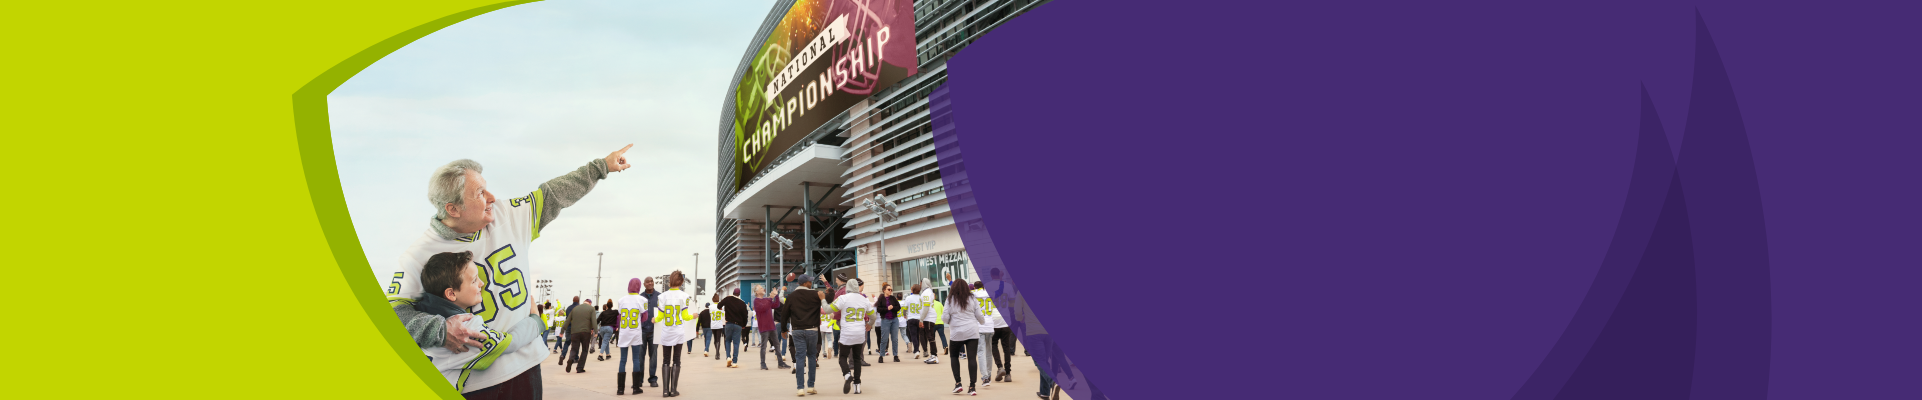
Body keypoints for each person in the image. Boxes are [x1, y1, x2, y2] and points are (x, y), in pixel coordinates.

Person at [388, 146, 633, 399]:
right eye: (480, 193)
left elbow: (553, 194)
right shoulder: (417, 255)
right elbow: (392, 315)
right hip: (472, 381)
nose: (492, 197)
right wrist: (439, 329)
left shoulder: (508, 215)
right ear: (453, 209)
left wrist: (601, 166)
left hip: (526, 368)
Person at [413, 251, 529, 393]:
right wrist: (537, 319)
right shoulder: (465, 328)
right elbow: (512, 342)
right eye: (474, 280)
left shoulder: (417, 314)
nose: (482, 283)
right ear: (451, 294)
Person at [776, 273, 824, 396]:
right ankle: (811, 386)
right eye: (809, 281)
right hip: (812, 330)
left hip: (797, 330)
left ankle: (800, 388)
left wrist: (783, 330)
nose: (811, 283)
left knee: (800, 357)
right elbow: (828, 298)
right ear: (804, 283)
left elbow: (785, 313)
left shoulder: (791, 296)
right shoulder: (816, 294)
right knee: (812, 356)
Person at [653, 270, 697, 398]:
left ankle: (665, 391)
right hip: (678, 331)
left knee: (666, 359)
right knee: (676, 359)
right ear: (681, 282)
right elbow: (685, 316)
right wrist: (693, 316)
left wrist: (655, 319)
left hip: (666, 332)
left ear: (670, 281)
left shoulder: (662, 296)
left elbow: (660, 316)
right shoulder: (684, 296)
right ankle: (673, 390)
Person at [831, 278, 875, 394]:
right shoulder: (864, 299)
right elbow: (873, 316)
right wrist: (869, 324)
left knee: (842, 357)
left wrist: (822, 301)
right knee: (857, 359)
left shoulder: (843, 298)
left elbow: (827, 309)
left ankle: (847, 375)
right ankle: (857, 385)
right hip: (860, 333)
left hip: (847, 333)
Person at [943, 280, 986, 396]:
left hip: (956, 332)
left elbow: (945, 316)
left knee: (953, 356)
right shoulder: (972, 298)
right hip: (972, 332)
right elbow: (979, 316)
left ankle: (958, 383)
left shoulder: (950, 299)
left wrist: (948, 321)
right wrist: (982, 322)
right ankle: (972, 387)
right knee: (972, 358)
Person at [614, 278, 655, 395]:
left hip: (624, 332)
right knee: (636, 358)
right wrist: (638, 321)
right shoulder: (642, 299)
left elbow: (620, 316)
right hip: (635, 331)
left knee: (623, 360)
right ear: (639, 286)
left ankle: (620, 389)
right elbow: (645, 317)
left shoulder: (621, 300)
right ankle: (636, 388)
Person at [754, 284, 788, 370]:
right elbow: (763, 307)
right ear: (757, 292)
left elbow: (776, 305)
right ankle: (763, 364)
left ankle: (780, 363)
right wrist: (770, 298)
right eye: (761, 288)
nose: (763, 289)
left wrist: (776, 296)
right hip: (764, 327)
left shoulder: (766, 300)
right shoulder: (756, 301)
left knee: (777, 344)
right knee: (764, 346)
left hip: (771, 326)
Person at [719, 288, 748, 368]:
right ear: (739, 294)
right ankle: (734, 362)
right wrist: (744, 325)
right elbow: (745, 315)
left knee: (727, 341)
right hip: (738, 325)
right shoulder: (742, 303)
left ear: (733, 293)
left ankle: (728, 357)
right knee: (736, 343)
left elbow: (719, 306)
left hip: (728, 323)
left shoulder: (728, 299)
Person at [873, 281, 900, 364]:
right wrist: (887, 309)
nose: (890, 291)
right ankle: (881, 356)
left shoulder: (893, 298)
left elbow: (898, 307)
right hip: (885, 320)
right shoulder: (881, 299)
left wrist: (893, 307)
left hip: (894, 320)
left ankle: (895, 356)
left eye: (891, 289)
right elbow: (878, 309)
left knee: (895, 339)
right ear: (884, 290)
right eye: (889, 289)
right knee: (884, 339)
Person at [567, 295, 596, 373]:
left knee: (574, 348)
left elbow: (568, 320)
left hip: (575, 332)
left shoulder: (575, 309)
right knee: (585, 350)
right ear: (589, 303)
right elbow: (593, 321)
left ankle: (570, 359)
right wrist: (595, 330)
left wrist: (562, 330)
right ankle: (579, 368)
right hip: (586, 333)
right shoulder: (591, 309)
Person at [904, 283, 923, 360]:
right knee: (917, 335)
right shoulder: (921, 298)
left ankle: (916, 351)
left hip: (911, 318)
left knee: (913, 336)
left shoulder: (908, 298)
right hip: (919, 318)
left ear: (912, 290)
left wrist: (904, 314)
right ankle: (917, 350)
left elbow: (905, 308)